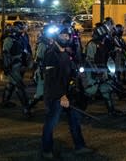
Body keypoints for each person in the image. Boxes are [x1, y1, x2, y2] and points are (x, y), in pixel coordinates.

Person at [41, 25, 93, 159]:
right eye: (63, 35)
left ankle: (80, 146)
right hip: (55, 95)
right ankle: (46, 150)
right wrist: (61, 96)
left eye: (67, 35)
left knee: (75, 120)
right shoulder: (51, 54)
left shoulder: (65, 53)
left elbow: (70, 73)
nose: (66, 37)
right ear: (57, 36)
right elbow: (51, 78)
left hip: (68, 94)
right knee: (51, 123)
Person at [84, 23, 124, 116]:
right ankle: (80, 108)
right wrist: (96, 71)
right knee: (90, 91)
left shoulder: (103, 43)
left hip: (102, 70)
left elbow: (107, 53)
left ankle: (111, 110)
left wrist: (116, 50)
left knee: (106, 90)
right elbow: (89, 60)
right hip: (93, 72)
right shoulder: (92, 44)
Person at [1, 21, 31, 117]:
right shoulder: (9, 39)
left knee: (11, 84)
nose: (22, 29)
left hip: (19, 65)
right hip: (13, 66)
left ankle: (5, 101)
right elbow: (5, 54)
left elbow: (24, 50)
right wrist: (6, 67)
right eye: (20, 28)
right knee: (20, 86)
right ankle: (26, 108)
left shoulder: (20, 38)